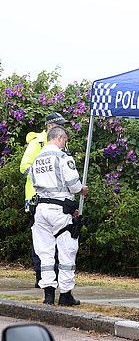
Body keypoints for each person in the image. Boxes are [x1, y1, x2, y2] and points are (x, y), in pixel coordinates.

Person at [30, 126, 88, 306]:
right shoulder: (63, 157)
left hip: (40, 210)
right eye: (65, 141)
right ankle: (65, 294)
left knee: (45, 252)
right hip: (60, 211)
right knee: (67, 251)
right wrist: (82, 190)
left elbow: (33, 183)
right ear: (60, 138)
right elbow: (73, 184)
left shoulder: (37, 159)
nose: (65, 144)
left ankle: (48, 295)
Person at [20, 112, 69, 287]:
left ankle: (54, 277)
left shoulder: (62, 144)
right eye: (60, 125)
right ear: (50, 126)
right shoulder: (37, 143)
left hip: (57, 201)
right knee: (40, 242)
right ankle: (40, 276)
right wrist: (39, 178)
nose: (63, 128)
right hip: (37, 200)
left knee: (59, 240)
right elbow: (24, 166)